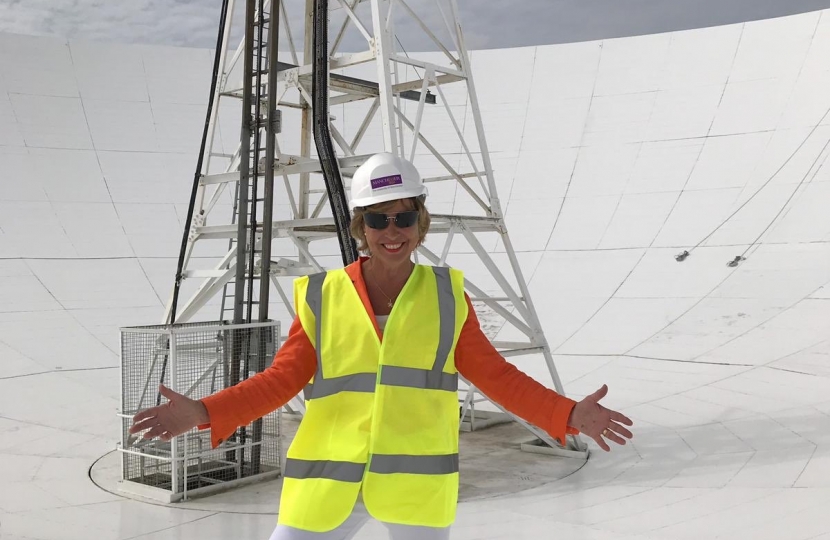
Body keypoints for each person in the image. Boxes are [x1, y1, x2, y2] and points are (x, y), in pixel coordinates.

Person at [130, 152, 634, 540]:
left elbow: (496, 377)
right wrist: (202, 411)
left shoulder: (446, 296)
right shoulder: (322, 296)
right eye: (377, 220)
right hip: (328, 482)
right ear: (359, 227)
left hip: (413, 485)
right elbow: (280, 380)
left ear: (420, 223)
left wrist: (567, 414)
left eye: (403, 219)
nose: (391, 232)